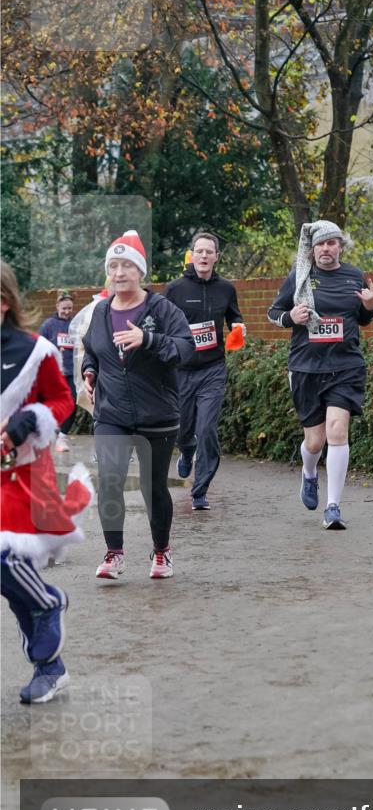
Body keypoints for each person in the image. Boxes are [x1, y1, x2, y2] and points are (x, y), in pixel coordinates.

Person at [1, 261, 93, 703]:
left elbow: (62, 399)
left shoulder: (34, 351)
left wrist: (27, 422)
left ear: (4, 302)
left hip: (18, 478)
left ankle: (50, 604)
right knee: (13, 584)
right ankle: (50, 667)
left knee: (5, 559)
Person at [81, 230, 195, 580]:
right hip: (111, 413)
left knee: (153, 487)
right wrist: (89, 370)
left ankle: (161, 552)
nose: (119, 273)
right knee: (110, 481)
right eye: (113, 266)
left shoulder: (161, 309)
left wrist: (148, 339)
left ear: (140, 272)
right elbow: (92, 349)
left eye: (127, 266)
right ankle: (113, 554)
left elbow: (185, 348)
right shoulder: (100, 312)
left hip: (156, 414)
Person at [267, 220, 373, 529]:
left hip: (345, 367)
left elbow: (364, 318)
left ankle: (333, 507)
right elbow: (273, 313)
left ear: (340, 246)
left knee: (337, 432)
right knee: (315, 443)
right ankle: (309, 473)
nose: (326, 249)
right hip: (306, 368)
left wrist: (371, 305)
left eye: (332, 243)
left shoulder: (354, 276)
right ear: (312, 248)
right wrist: (290, 317)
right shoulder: (299, 277)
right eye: (321, 244)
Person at [163, 232, 245, 511]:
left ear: (216, 257)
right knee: (183, 430)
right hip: (182, 371)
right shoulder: (175, 289)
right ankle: (186, 450)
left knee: (207, 428)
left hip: (213, 368)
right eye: (199, 251)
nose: (204, 256)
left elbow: (235, 316)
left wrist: (238, 327)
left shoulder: (226, 288)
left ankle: (200, 491)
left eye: (209, 252)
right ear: (192, 255)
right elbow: (163, 325)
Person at [38, 291, 76, 452]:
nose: (67, 311)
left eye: (70, 308)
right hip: (54, 374)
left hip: (73, 373)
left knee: (73, 404)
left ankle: (62, 437)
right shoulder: (48, 325)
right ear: (57, 306)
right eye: (64, 308)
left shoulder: (76, 324)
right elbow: (38, 347)